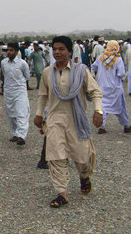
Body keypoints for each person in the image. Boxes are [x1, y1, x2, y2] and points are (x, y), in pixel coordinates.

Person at [35, 36, 103, 208]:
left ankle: (84, 176)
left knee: (82, 157)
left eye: (61, 49)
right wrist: (38, 114)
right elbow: (43, 95)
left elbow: (95, 92)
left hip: (76, 120)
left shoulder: (81, 71)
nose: (57, 52)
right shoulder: (47, 73)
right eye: (55, 49)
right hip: (55, 120)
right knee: (56, 156)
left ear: (69, 52)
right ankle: (61, 193)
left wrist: (98, 110)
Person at [91, 40, 129, 134]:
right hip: (115, 88)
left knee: (103, 107)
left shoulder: (101, 57)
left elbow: (94, 66)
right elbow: (121, 73)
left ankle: (102, 126)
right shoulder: (118, 59)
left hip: (102, 87)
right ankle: (127, 125)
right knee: (120, 107)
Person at [0, 43, 30, 145]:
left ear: (16, 52)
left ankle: (21, 136)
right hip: (8, 91)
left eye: (11, 50)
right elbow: (4, 74)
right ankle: (15, 134)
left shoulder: (22, 63)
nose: (9, 52)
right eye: (8, 50)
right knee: (11, 114)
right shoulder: (4, 62)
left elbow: (27, 76)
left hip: (20, 91)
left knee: (21, 113)